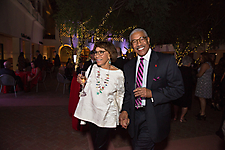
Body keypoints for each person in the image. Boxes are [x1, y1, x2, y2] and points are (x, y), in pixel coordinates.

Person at [119, 28, 184, 149]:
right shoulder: (128, 66)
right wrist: (125, 111)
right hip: (134, 117)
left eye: (141, 39)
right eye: (134, 41)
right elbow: (128, 93)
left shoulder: (166, 61)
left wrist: (152, 94)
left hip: (154, 116)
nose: (138, 44)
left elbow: (178, 89)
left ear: (148, 40)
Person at [74, 41, 125, 150]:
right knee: (95, 143)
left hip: (107, 114)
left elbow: (120, 94)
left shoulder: (118, 74)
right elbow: (87, 84)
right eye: (96, 52)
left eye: (101, 52)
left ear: (110, 54)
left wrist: (119, 112)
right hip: (92, 112)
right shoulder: (92, 68)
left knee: (100, 146)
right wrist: (82, 82)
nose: (97, 55)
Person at [172, 56, 195, 123]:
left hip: (177, 88)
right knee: (185, 103)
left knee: (176, 102)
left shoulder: (177, 69)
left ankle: (175, 116)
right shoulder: (191, 71)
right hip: (187, 88)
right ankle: (181, 117)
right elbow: (194, 80)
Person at [195, 52, 213, 120]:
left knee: (202, 98)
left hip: (204, 83)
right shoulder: (208, 64)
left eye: (201, 57)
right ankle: (201, 112)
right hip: (204, 82)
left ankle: (202, 113)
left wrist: (195, 75)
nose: (200, 59)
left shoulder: (205, 64)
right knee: (201, 98)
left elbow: (200, 74)